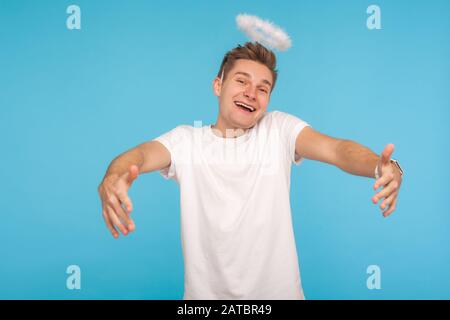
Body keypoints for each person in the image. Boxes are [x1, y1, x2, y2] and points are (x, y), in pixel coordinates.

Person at [97, 42, 404, 299]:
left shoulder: (278, 129)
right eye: (241, 81)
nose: (251, 93)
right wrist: (114, 176)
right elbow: (140, 154)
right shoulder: (186, 141)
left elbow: (338, 150)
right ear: (219, 85)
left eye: (262, 88)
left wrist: (382, 166)